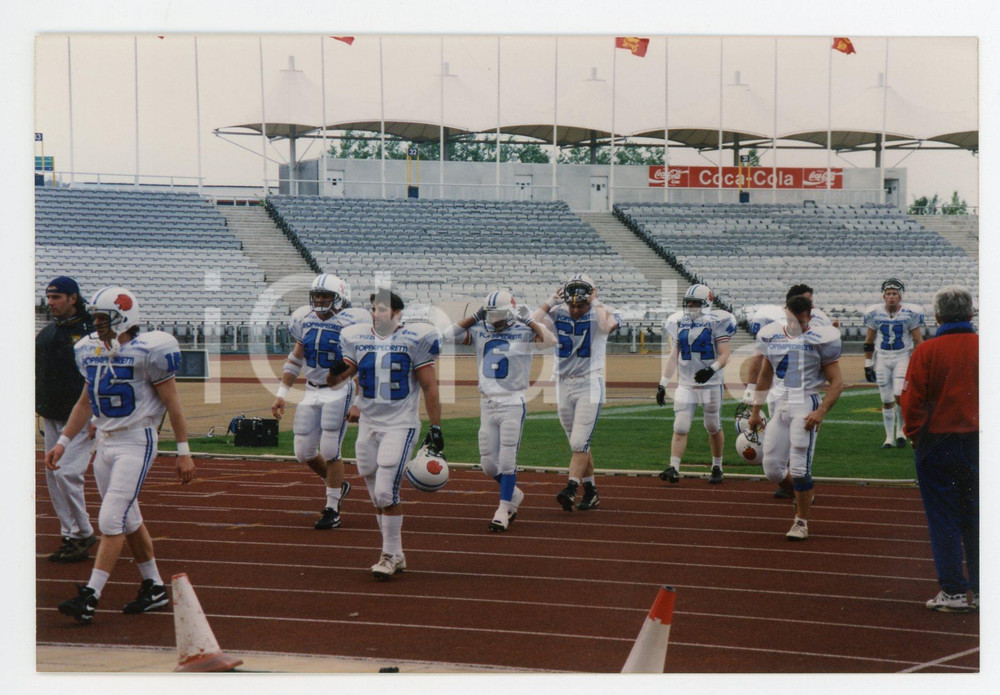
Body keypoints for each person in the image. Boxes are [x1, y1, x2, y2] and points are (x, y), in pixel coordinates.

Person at [46, 286, 196, 624]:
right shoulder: (89, 350)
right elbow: (85, 402)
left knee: (111, 519)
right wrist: (64, 442)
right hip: (106, 443)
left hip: (136, 441)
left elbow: (173, 403)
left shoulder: (149, 351)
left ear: (123, 317)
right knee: (128, 519)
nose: (96, 323)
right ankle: (154, 587)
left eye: (103, 317)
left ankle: (90, 595)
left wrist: (183, 452)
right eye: (95, 316)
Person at [328, 288, 442, 579]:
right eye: (373, 308)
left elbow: (429, 386)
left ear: (396, 313)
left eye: (382, 308)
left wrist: (436, 426)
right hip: (368, 423)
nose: (376, 313)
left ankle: (388, 555)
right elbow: (339, 380)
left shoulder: (415, 339)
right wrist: (335, 372)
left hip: (400, 424)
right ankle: (397, 553)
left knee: (385, 492)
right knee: (376, 495)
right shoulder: (356, 337)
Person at [446, 290, 555, 531]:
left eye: (497, 315)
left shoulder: (523, 329)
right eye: (489, 315)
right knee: (488, 465)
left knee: (507, 460)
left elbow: (550, 341)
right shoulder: (480, 328)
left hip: (512, 402)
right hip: (487, 402)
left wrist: (530, 320)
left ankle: (504, 508)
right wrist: (475, 316)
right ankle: (514, 493)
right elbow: (448, 334)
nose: (493, 320)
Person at [900, 286, 978, 612]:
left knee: (943, 517)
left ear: (937, 316)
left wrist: (917, 435)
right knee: (978, 516)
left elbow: (911, 401)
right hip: (980, 441)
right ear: (971, 313)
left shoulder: (926, 351)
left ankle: (954, 590)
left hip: (939, 443)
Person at [272, 274, 368, 529]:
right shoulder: (305, 318)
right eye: (317, 296)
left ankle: (332, 507)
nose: (320, 300)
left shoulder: (353, 322)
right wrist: (281, 393)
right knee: (303, 451)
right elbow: (295, 359)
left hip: (338, 390)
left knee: (330, 450)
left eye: (326, 296)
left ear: (339, 298)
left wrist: (358, 401)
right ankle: (338, 484)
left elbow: (360, 365)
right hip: (311, 389)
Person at [747, 293, 843, 541]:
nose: (795, 326)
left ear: (810, 317)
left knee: (799, 467)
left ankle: (801, 521)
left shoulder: (821, 338)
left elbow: (837, 382)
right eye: (791, 320)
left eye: (801, 321)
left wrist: (821, 411)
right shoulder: (772, 334)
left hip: (806, 402)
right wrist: (756, 411)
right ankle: (802, 497)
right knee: (772, 470)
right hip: (780, 405)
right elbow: (766, 375)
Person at [533, 274, 621, 511]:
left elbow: (607, 326)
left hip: (589, 382)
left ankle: (571, 488)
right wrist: (550, 302)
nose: (574, 309)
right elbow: (530, 325)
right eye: (571, 304)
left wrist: (596, 302)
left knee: (580, 441)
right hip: (562, 382)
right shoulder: (558, 311)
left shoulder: (601, 311)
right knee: (577, 444)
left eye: (580, 304)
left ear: (590, 299)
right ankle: (591, 491)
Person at [35, 276, 97, 563]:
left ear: (73, 297)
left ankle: (83, 532)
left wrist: (98, 413)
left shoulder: (91, 333)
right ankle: (71, 534)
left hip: (81, 417)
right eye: (48, 297)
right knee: (53, 475)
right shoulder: (46, 334)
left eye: (56, 297)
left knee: (66, 474)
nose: (51, 303)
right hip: (52, 414)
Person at [655, 283, 736, 485]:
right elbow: (673, 356)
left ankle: (717, 466)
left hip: (711, 383)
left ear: (707, 303)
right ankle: (673, 467)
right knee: (680, 425)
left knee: (712, 425)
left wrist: (711, 369)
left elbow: (726, 355)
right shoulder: (679, 322)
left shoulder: (717, 321)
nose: (691, 306)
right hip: (686, 383)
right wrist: (663, 384)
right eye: (689, 302)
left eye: (695, 302)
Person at [863, 278, 925, 449]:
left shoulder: (910, 313)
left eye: (894, 294)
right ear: (883, 296)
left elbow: (917, 340)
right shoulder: (874, 313)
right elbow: (869, 340)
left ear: (900, 297)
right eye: (888, 294)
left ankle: (900, 432)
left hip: (902, 356)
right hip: (882, 357)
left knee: (899, 394)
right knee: (886, 398)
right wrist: (868, 363)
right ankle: (889, 437)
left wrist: (919, 362)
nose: (891, 297)